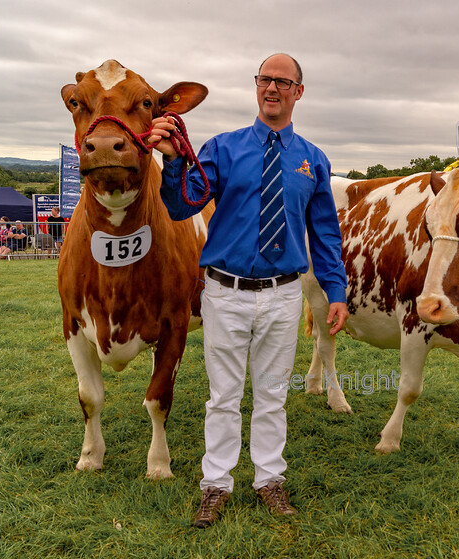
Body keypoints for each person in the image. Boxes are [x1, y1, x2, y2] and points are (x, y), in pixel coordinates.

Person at [148, 53, 349, 528]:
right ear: (256, 87)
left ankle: (268, 480)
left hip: (283, 293)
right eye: (264, 80)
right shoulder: (223, 148)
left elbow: (324, 233)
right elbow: (182, 206)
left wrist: (336, 291)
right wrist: (172, 162)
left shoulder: (312, 160)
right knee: (222, 396)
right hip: (225, 291)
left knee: (273, 394)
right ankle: (215, 485)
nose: (272, 88)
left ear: (299, 91)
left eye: (283, 82)